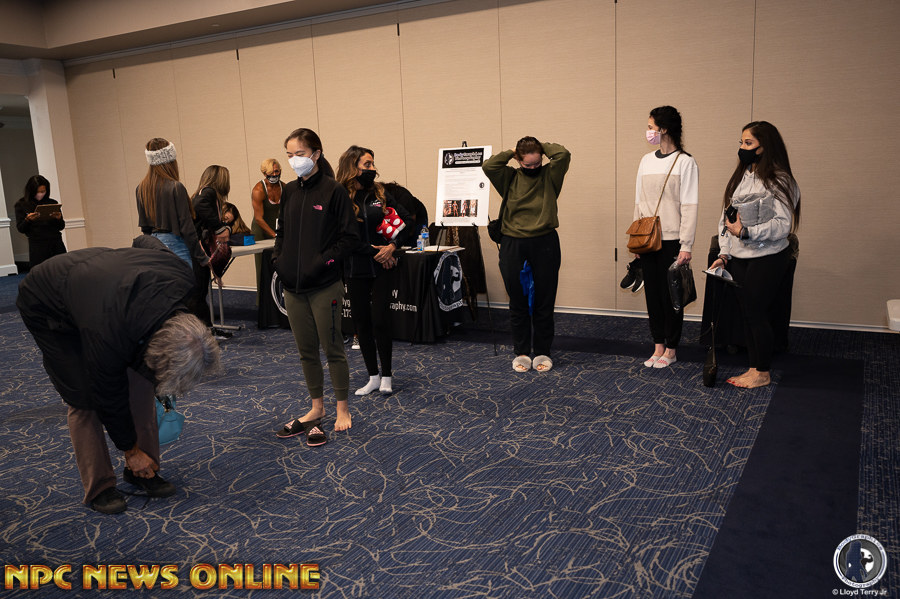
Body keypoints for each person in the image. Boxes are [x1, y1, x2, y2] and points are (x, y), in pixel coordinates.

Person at [16, 235, 221, 514]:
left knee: (142, 384)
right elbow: (108, 395)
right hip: (47, 301)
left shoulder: (182, 278)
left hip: (100, 286)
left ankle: (142, 470)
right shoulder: (108, 334)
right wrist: (129, 450)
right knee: (83, 398)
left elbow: (145, 240)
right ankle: (100, 485)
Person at [273, 128, 358, 443]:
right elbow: (282, 232)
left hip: (324, 285)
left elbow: (349, 239)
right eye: (290, 155)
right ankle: (316, 407)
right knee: (305, 351)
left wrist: (323, 263)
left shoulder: (334, 191)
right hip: (293, 287)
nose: (294, 160)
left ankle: (342, 409)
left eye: (300, 154)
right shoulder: (289, 191)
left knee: (333, 348)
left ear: (316, 154)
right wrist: (279, 260)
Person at [709, 121, 800, 389]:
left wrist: (747, 232)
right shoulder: (741, 178)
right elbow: (726, 221)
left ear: (764, 147)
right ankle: (754, 367)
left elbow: (783, 225)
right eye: (741, 142)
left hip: (769, 256)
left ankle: (762, 371)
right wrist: (724, 254)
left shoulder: (781, 180)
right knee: (748, 314)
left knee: (757, 312)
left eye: (748, 143)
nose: (742, 148)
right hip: (740, 258)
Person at [482, 136, 571, 373]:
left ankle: (542, 351)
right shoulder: (509, 177)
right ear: (518, 160)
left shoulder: (550, 175)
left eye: (537, 163)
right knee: (518, 300)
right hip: (513, 243)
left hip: (545, 241)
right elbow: (489, 166)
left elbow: (563, 154)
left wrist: (540, 147)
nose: (533, 168)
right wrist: (512, 150)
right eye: (527, 164)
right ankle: (521, 352)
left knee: (544, 300)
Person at [336, 145, 414, 397]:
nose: (372, 168)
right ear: (352, 167)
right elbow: (343, 238)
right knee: (362, 323)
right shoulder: (340, 195)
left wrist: (392, 247)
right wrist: (376, 251)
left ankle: (387, 376)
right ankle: (372, 377)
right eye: (367, 164)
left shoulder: (380, 192)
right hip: (355, 267)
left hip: (383, 266)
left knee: (381, 321)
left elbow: (408, 222)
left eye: (372, 164)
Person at [633, 106, 699, 369]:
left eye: (651, 127)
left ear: (665, 129)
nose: (648, 131)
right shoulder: (646, 160)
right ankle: (658, 345)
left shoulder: (685, 162)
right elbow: (639, 201)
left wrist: (686, 244)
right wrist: (637, 238)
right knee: (652, 295)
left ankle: (671, 349)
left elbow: (690, 205)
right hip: (648, 239)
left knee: (671, 296)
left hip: (672, 239)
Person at [135, 138, 208, 270]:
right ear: (171, 161)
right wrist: (202, 257)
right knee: (182, 283)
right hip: (175, 246)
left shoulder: (141, 189)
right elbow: (187, 228)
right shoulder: (176, 187)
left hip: (153, 246)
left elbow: (145, 228)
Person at [192, 165, 232, 320]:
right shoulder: (209, 192)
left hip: (197, 245)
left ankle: (205, 324)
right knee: (200, 289)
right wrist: (219, 228)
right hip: (198, 247)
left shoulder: (203, 193)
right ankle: (203, 326)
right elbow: (199, 205)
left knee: (200, 289)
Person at [14, 175, 66, 268]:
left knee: (62, 269)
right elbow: (21, 228)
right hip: (37, 245)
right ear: (31, 191)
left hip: (56, 242)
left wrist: (58, 219)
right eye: (37, 192)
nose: (40, 194)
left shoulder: (52, 203)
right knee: (40, 272)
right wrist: (28, 220)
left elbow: (61, 226)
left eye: (43, 191)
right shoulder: (21, 204)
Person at [251, 158, 283, 291]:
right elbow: (259, 218)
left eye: (277, 171)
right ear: (264, 173)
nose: (274, 175)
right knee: (262, 267)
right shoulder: (258, 190)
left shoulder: (285, 187)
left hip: (276, 227)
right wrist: (274, 235)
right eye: (271, 172)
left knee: (279, 263)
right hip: (260, 229)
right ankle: (261, 299)